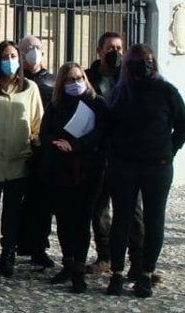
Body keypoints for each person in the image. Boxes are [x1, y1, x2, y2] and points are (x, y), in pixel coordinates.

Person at [103, 44, 185, 299]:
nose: (145, 64)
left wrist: (169, 151)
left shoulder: (166, 91)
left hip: (157, 165)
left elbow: (183, 125)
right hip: (124, 165)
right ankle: (117, 273)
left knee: (154, 220)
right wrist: (113, 155)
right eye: (140, 60)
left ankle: (146, 273)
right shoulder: (120, 93)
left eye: (149, 60)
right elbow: (107, 127)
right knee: (122, 219)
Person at [0, 40, 44, 277]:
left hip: (19, 159)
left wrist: (36, 147)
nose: (10, 61)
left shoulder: (30, 88)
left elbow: (37, 122)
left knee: (13, 212)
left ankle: (8, 253)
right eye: (5, 56)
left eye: (13, 56)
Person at [38, 63, 108, 294]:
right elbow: (44, 133)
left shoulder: (96, 103)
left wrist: (76, 145)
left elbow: (101, 133)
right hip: (60, 168)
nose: (76, 83)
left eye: (79, 78)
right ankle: (67, 263)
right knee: (64, 220)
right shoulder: (56, 105)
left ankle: (79, 269)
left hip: (88, 170)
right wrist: (57, 144)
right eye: (70, 79)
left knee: (82, 220)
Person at [85, 31, 144, 276]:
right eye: (110, 48)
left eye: (119, 48)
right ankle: (106, 256)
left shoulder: (131, 78)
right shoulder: (88, 78)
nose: (116, 53)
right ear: (99, 51)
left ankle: (138, 261)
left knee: (133, 210)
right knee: (99, 209)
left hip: (126, 154)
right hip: (98, 152)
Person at [17, 34, 58, 270]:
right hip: (18, 146)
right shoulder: (15, 79)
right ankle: (15, 243)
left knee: (42, 201)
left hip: (43, 149)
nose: (34, 51)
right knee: (15, 200)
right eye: (28, 48)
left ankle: (39, 247)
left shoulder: (52, 80)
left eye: (37, 47)